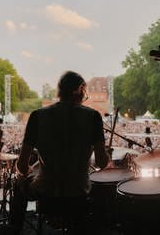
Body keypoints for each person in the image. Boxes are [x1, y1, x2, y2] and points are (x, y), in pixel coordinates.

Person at [9, 71, 110, 234]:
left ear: (59, 91)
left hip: (46, 194)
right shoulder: (93, 117)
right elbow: (101, 163)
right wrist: (106, 153)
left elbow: (21, 165)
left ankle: (14, 230)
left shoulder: (37, 116)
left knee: (18, 184)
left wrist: (26, 172)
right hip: (78, 195)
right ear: (80, 90)